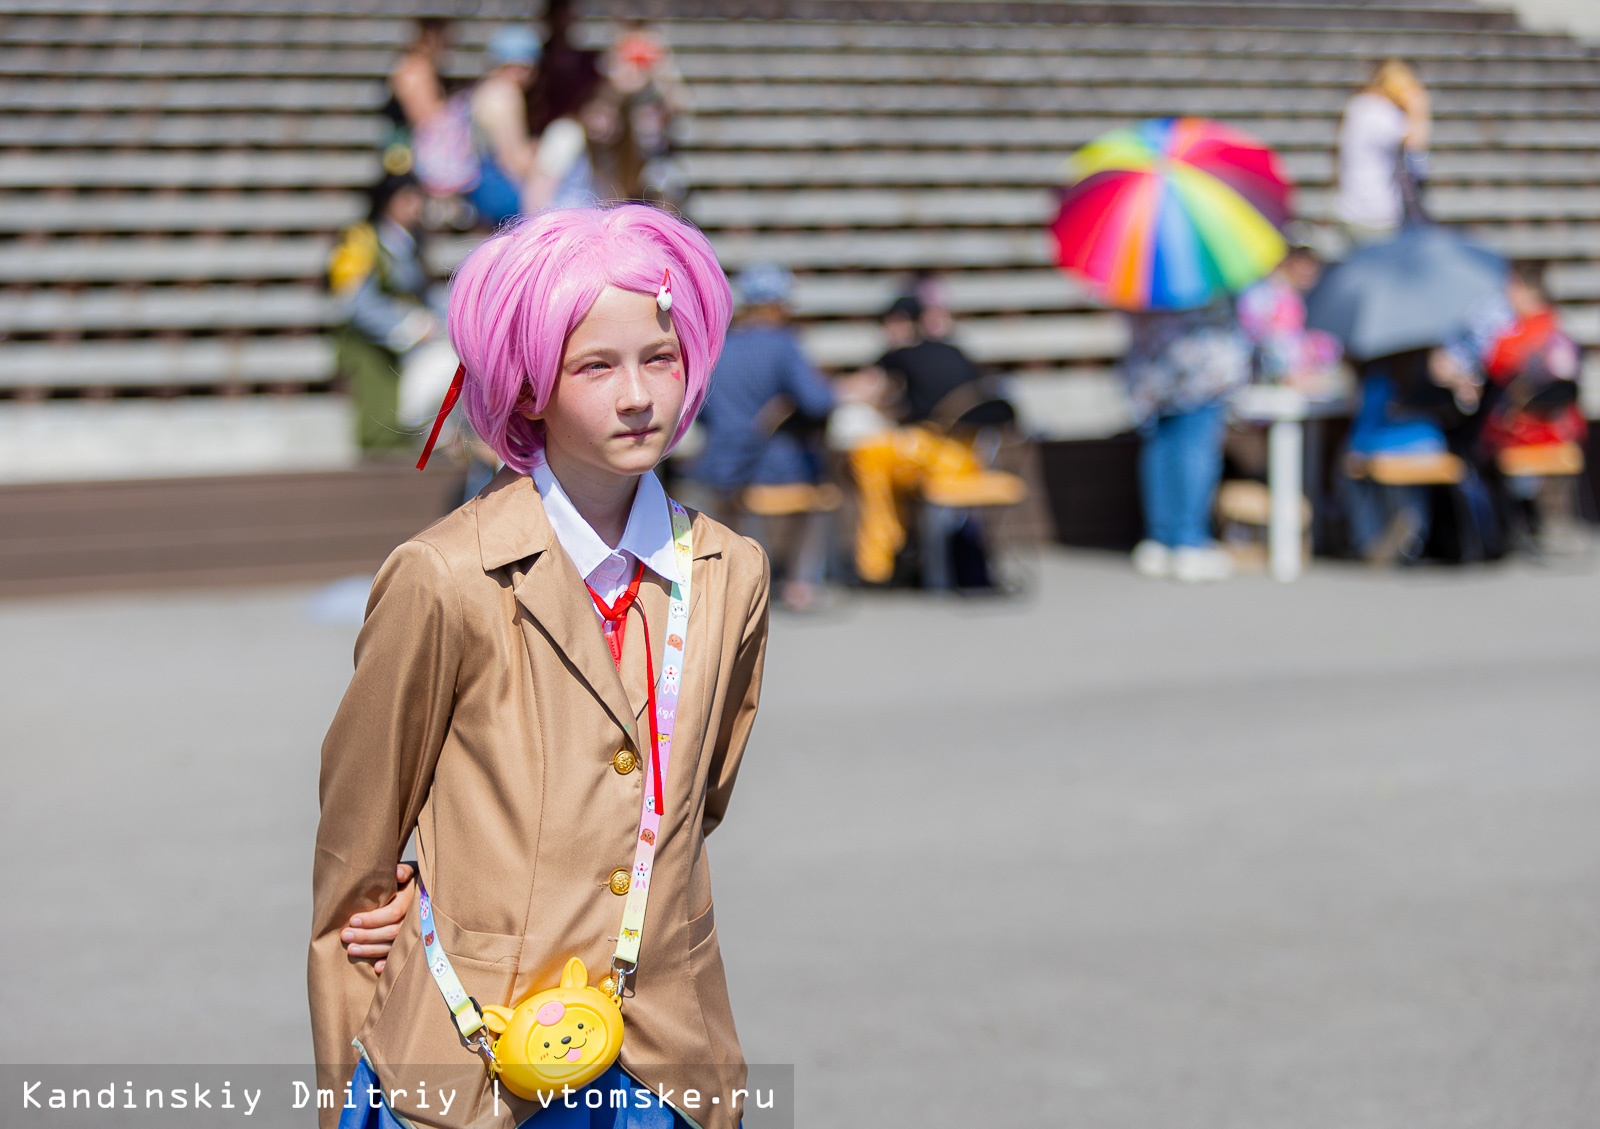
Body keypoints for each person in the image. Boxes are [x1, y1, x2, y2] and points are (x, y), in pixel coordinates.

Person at [309, 205, 766, 1129]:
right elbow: (356, 852)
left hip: (666, 1055)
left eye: (661, 358)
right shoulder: (444, 574)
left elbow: (693, 799)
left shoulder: (731, 570)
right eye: (595, 365)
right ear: (527, 389)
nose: (639, 394)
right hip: (469, 1058)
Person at [687, 263, 836, 611]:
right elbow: (818, 401)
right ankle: (800, 585)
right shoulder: (783, 344)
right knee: (823, 495)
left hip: (722, 466)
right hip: (774, 468)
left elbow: (704, 413)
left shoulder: (719, 347)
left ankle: (729, 587)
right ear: (779, 304)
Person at [1124, 298, 1252, 582]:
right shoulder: (1202, 271)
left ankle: (1160, 539)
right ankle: (1188, 540)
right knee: (1194, 451)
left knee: (1162, 450)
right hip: (1200, 371)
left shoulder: (1140, 274)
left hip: (1153, 369)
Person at [327, 172, 446, 452]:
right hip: (371, 339)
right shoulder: (361, 240)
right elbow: (356, 304)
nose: (415, 205)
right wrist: (408, 325)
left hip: (411, 334)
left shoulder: (412, 242)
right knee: (383, 428)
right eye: (407, 197)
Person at [1336, 58, 1431, 244]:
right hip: (1373, 212)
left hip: (1356, 208)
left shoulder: (1360, 107)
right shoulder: (1379, 112)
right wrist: (1418, 108)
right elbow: (1416, 142)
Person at [1236, 244, 1342, 391]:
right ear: (1291, 262)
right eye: (1305, 266)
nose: (1309, 273)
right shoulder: (1264, 293)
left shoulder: (1290, 294)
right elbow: (1263, 340)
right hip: (1266, 379)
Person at [467, 25, 542, 225]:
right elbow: (512, 157)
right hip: (501, 189)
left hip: (484, 185)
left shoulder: (486, 89)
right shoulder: (506, 94)